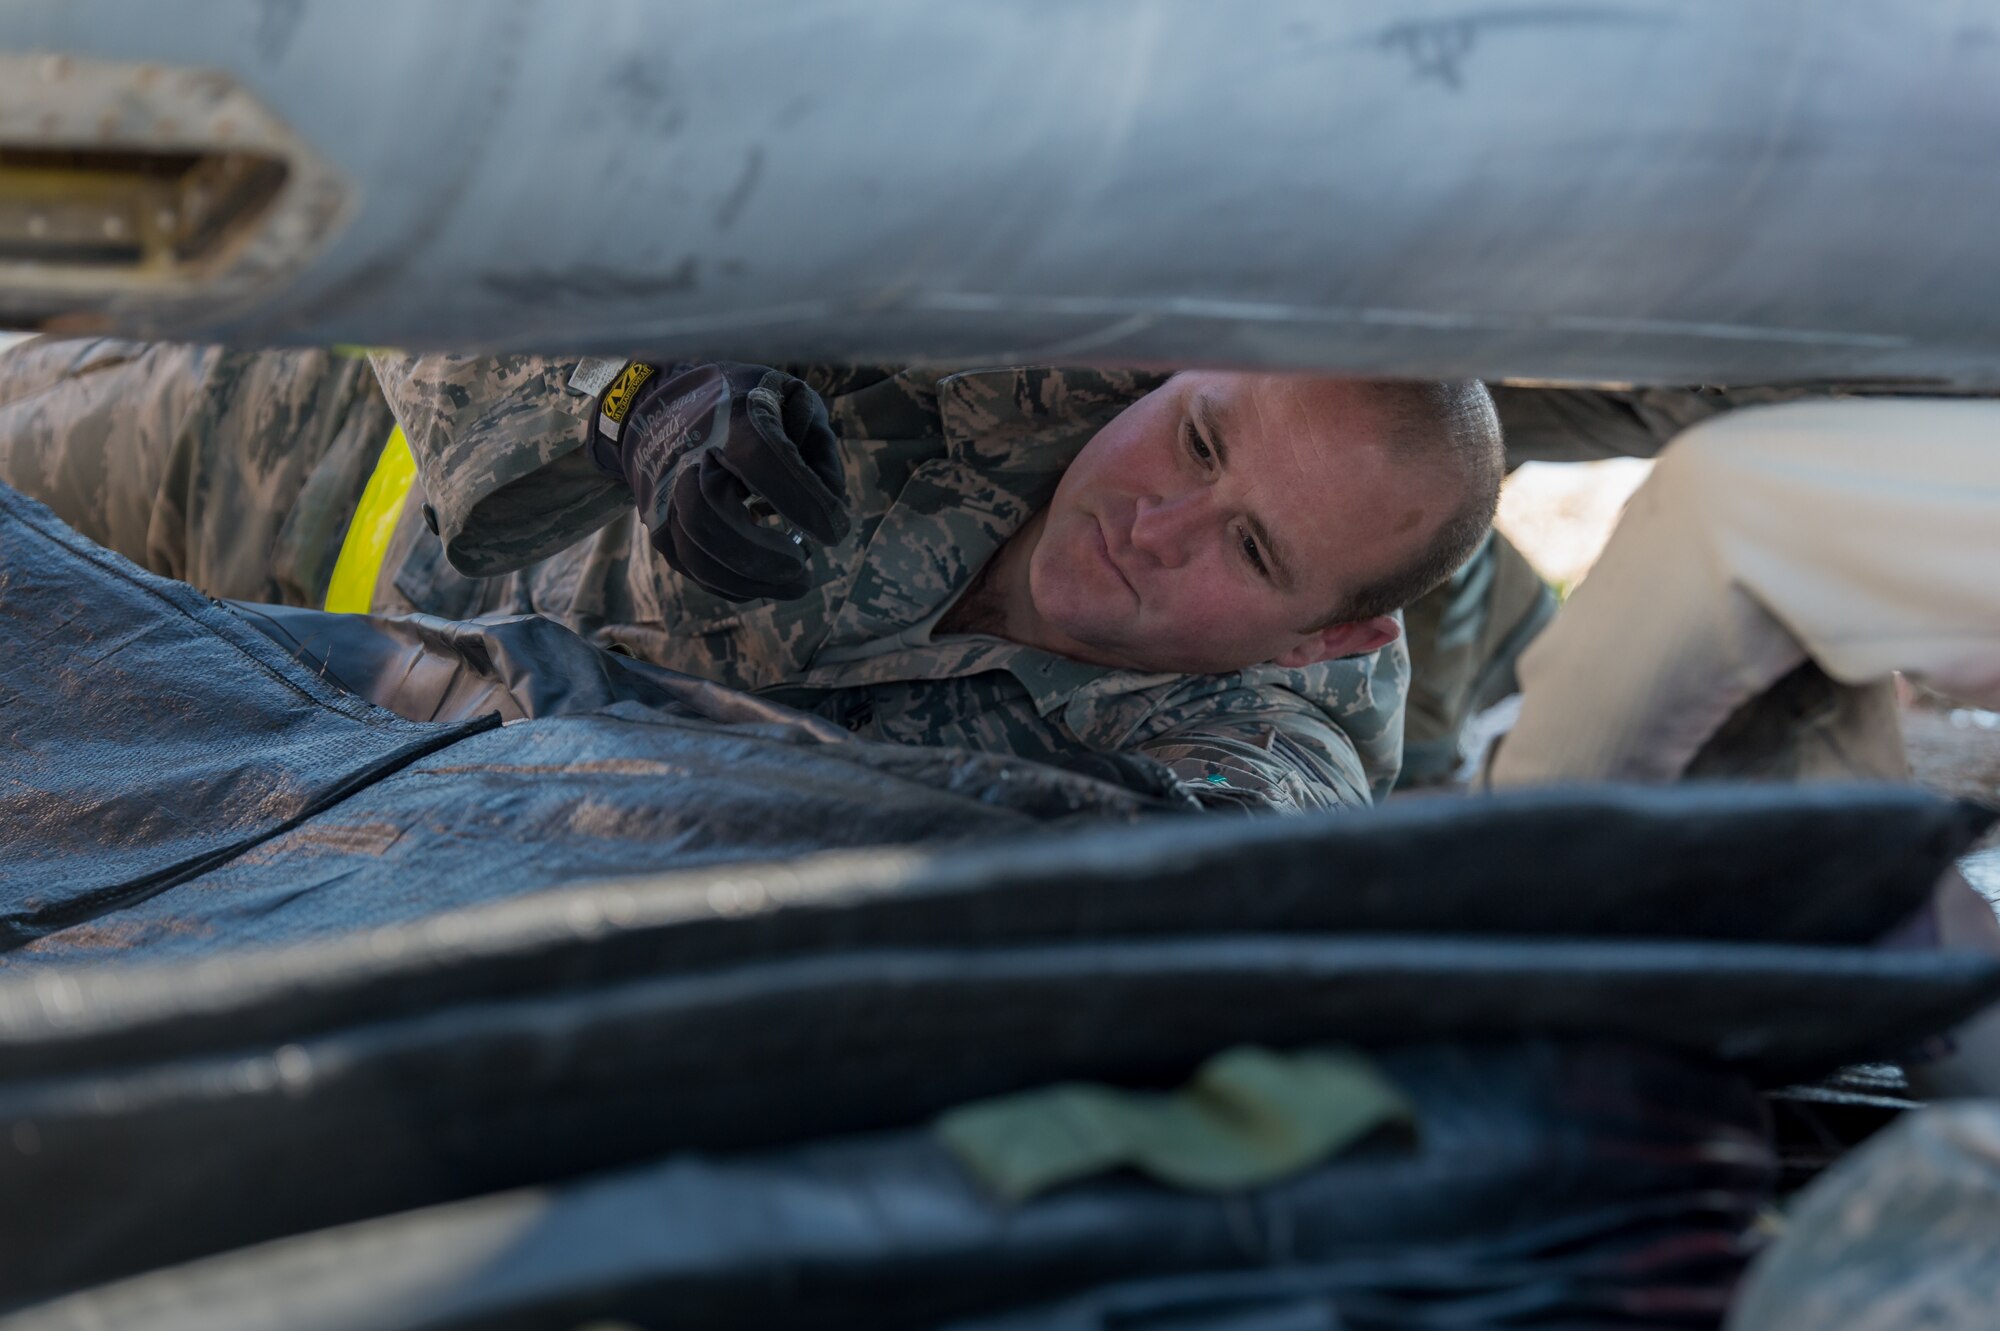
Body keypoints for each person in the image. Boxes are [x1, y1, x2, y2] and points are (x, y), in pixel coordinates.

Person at [0, 338, 1506, 812]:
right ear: (1185, 364)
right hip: (265, 450)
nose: (1153, 520)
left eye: (1247, 549)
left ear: (1328, 640)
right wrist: (637, 388)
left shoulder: (1251, 756)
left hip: (281, 754)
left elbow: (1224, 909)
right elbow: (529, 191)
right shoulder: (995, 314)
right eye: (1196, 438)